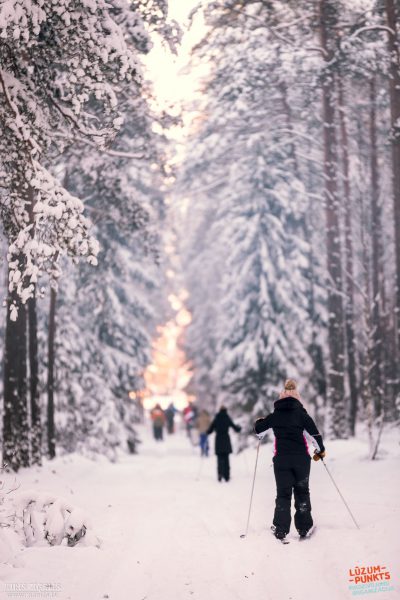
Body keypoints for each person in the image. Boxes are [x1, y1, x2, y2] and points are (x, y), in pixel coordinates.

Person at [254, 379, 325, 541]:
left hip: (281, 461)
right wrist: (320, 451)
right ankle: (304, 527)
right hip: (301, 460)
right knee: (302, 492)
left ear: (281, 399)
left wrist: (259, 422)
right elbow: (315, 436)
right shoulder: (302, 415)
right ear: (297, 399)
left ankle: (280, 528)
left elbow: (258, 430)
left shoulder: (275, 416)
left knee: (283, 494)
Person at [207, 406, 241, 481]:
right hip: (226, 439)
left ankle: (220, 474)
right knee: (226, 458)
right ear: (225, 410)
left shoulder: (217, 418)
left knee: (219, 458)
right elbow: (234, 427)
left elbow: (210, 429)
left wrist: (207, 432)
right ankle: (227, 476)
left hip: (218, 439)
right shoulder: (227, 418)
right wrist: (239, 429)